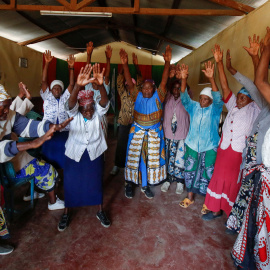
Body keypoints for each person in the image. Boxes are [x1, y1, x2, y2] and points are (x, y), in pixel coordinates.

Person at [202, 44, 260, 221]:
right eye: (239, 97)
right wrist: (220, 63)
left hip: (237, 153)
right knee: (218, 178)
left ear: (251, 100)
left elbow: (258, 85)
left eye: (244, 98)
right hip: (224, 149)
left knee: (233, 183)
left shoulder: (255, 109)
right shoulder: (233, 105)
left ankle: (231, 215)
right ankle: (215, 209)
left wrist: (255, 58)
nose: (240, 100)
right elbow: (225, 86)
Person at [0, 84, 72, 211]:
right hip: (6, 170)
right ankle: (53, 202)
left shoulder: (9, 115)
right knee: (46, 168)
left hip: (8, 164)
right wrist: (31, 144)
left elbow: (28, 126)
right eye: (3, 107)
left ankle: (29, 193)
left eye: (8, 106)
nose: (7, 110)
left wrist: (53, 127)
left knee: (34, 160)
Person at [226, 30, 270, 235]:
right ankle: (239, 226)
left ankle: (248, 235)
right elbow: (257, 87)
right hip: (251, 163)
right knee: (247, 195)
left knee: (256, 204)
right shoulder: (266, 106)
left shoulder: (259, 106)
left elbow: (259, 85)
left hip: (262, 167)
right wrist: (255, 58)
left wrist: (264, 53)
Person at [58, 64, 111, 232]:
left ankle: (100, 210)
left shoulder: (98, 111)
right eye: (84, 109)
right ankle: (66, 212)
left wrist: (101, 85)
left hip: (95, 151)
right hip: (74, 152)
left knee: (95, 182)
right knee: (71, 182)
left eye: (90, 108)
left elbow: (104, 101)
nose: (88, 112)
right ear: (79, 109)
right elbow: (71, 104)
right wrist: (78, 86)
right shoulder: (74, 113)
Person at [121, 45, 172, 199]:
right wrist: (125, 63)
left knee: (149, 160)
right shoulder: (137, 95)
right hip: (137, 132)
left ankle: (145, 186)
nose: (146, 91)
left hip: (154, 134)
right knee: (133, 157)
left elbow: (164, 80)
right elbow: (130, 83)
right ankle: (129, 184)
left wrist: (167, 63)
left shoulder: (159, 96)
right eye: (144, 88)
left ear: (154, 88)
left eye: (149, 88)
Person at [178, 62, 224, 211]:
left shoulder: (215, 109)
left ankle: (207, 203)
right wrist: (184, 79)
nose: (202, 101)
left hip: (209, 147)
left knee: (208, 173)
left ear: (210, 101)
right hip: (192, 145)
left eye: (205, 99)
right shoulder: (194, 107)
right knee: (190, 171)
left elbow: (218, 98)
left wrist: (211, 79)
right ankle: (190, 197)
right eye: (201, 98)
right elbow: (184, 98)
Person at [110, 53, 143, 188]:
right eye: (127, 85)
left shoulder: (138, 94)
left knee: (134, 148)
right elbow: (119, 81)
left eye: (131, 85)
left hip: (135, 124)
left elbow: (140, 79)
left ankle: (133, 167)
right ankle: (117, 165)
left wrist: (136, 65)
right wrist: (123, 67)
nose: (129, 86)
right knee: (121, 146)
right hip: (124, 123)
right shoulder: (122, 93)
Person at [40, 50, 75, 169]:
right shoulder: (47, 96)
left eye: (59, 88)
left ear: (61, 90)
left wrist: (71, 68)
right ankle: (49, 171)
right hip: (49, 130)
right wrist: (47, 63)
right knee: (49, 153)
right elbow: (44, 81)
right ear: (51, 89)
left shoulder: (65, 97)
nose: (56, 89)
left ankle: (63, 170)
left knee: (64, 151)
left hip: (64, 130)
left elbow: (71, 84)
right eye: (54, 88)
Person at [160, 65, 190, 194]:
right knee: (168, 158)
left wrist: (183, 78)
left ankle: (179, 182)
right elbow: (163, 87)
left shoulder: (186, 99)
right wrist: (171, 76)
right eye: (175, 88)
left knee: (180, 159)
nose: (177, 90)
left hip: (181, 135)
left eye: (179, 88)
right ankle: (168, 179)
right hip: (168, 135)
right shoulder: (168, 98)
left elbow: (184, 90)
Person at [85, 42, 111, 137]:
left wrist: (108, 59)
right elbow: (87, 70)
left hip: (100, 118)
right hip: (88, 116)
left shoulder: (103, 84)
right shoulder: (88, 85)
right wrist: (89, 55)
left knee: (101, 139)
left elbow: (107, 74)